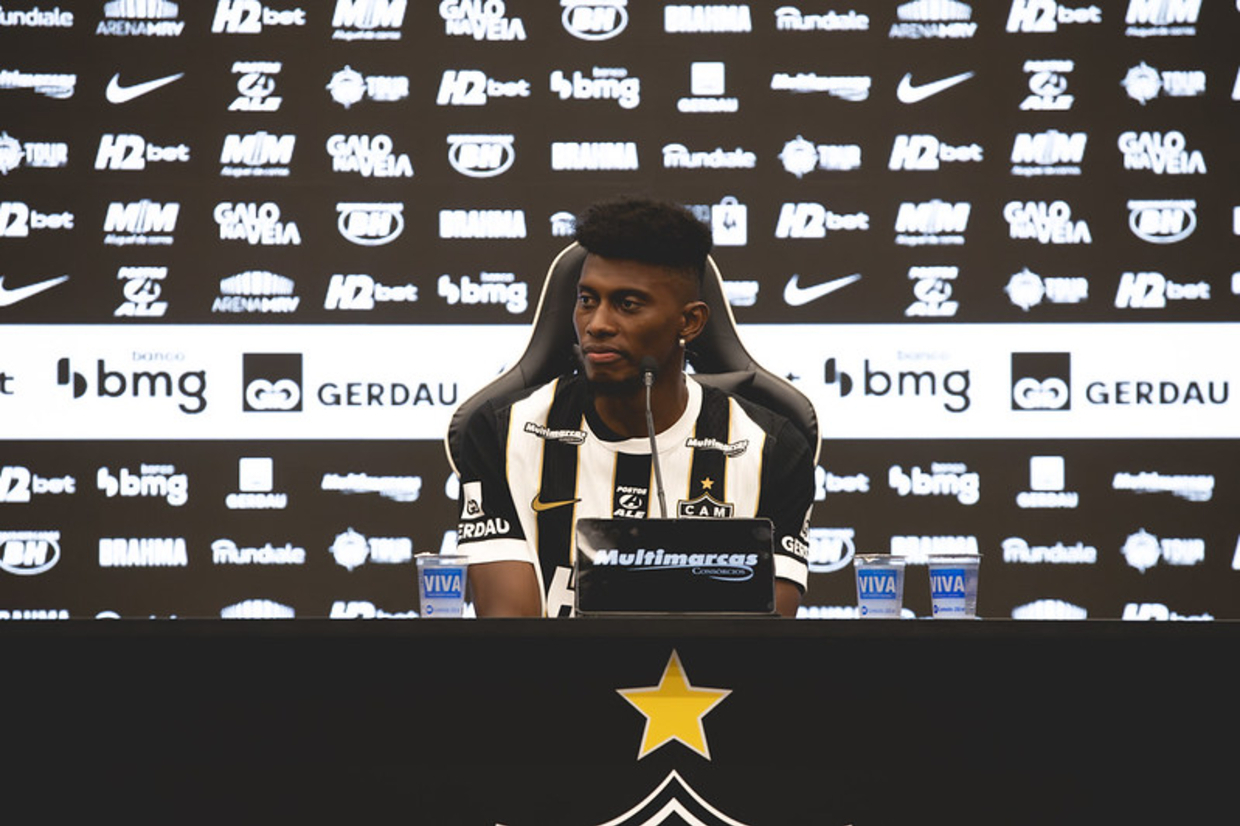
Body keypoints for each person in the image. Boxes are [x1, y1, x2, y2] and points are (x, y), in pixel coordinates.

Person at [452, 196, 814, 617]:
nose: (597, 324)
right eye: (587, 300)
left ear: (690, 322)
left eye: (627, 305)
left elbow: (758, 639)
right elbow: (510, 631)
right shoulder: (501, 434)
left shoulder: (772, 450)